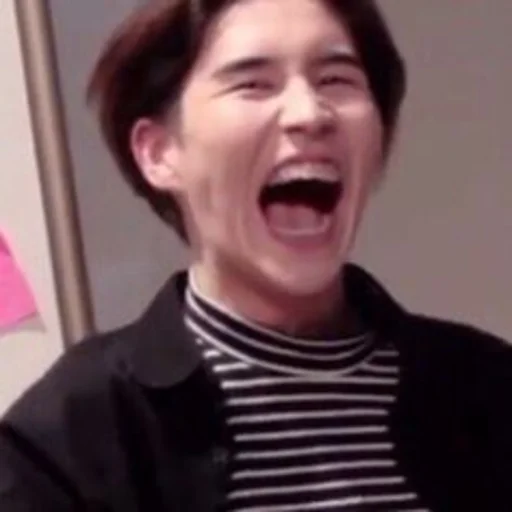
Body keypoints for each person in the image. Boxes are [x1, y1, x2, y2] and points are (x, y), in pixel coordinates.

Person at [1, 0, 511, 510]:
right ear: (158, 152)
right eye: (253, 84)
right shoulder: (67, 439)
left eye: (336, 79)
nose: (310, 114)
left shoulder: (488, 389)